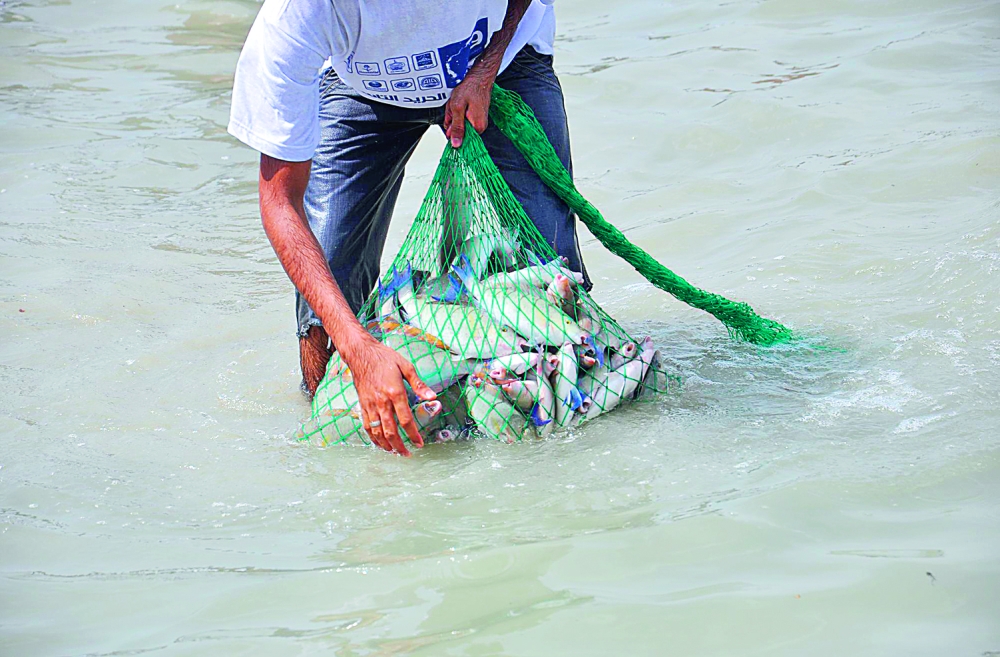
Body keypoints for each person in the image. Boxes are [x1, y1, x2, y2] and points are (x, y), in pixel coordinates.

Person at [228, 0, 588, 455]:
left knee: (550, 273)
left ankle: (564, 453)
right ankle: (327, 436)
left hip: (503, 60)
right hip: (362, 83)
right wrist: (359, 350)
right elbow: (280, 200)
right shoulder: (297, 17)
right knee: (326, 292)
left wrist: (486, 67)